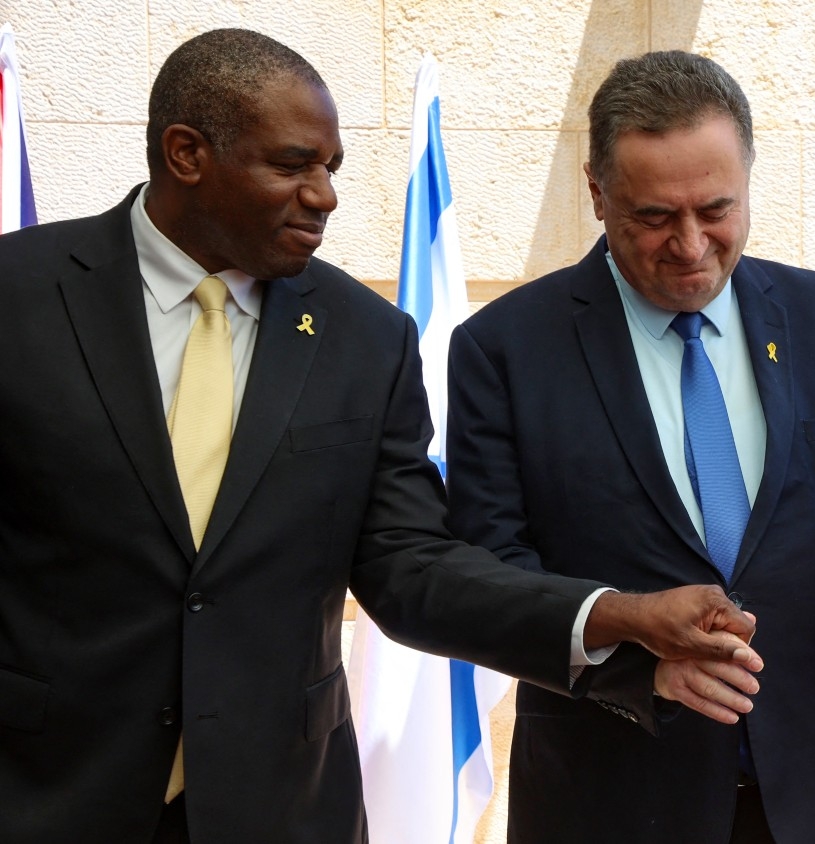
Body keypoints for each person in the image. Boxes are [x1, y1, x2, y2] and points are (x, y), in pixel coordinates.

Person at [0, 29, 762, 844]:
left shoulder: (366, 339)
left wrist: (617, 614)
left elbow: (412, 571)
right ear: (187, 154)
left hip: (282, 814)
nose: (323, 196)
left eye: (330, 168)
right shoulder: (20, 296)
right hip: (43, 799)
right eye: (293, 166)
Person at [444, 49, 815, 844]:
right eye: (653, 216)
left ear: (747, 183)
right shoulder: (505, 349)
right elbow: (485, 577)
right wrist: (636, 658)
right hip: (611, 799)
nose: (690, 245)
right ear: (597, 194)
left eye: (716, 209)